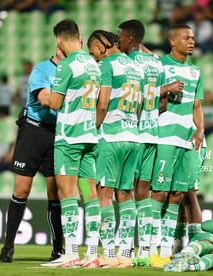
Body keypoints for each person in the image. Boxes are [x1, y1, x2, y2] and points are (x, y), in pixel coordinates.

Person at [0, 23, 66, 263]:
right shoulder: (41, 70)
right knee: (21, 189)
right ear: (59, 43)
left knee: (55, 192)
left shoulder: (72, 72)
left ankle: (58, 249)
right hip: (33, 130)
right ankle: (7, 247)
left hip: (57, 134)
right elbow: (45, 98)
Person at [117, 19, 184, 267]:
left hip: (131, 133)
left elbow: (131, 96)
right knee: (143, 192)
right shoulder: (156, 63)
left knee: (124, 190)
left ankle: (124, 249)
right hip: (153, 133)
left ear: (131, 39)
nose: (117, 40)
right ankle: (144, 249)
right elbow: (163, 104)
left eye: (120, 36)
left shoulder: (129, 62)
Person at [40, 19, 101, 268]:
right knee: (90, 196)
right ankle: (93, 253)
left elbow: (54, 104)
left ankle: (72, 253)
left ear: (59, 41)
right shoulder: (94, 65)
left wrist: (44, 97)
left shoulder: (66, 66)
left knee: (67, 194)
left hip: (69, 139)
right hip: (89, 138)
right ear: (80, 37)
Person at [149, 24, 204, 268]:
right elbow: (146, 94)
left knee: (177, 194)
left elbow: (197, 106)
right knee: (159, 192)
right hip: (164, 136)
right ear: (173, 42)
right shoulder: (160, 65)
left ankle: (165, 248)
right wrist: (167, 89)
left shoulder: (195, 71)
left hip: (187, 139)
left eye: (193, 38)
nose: (191, 41)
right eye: (186, 38)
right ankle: (149, 247)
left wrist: (200, 129)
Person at [87, 29, 144, 268]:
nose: (95, 58)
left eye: (93, 53)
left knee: (104, 195)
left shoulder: (107, 67)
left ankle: (108, 253)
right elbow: (140, 103)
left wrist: (94, 128)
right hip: (134, 136)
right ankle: (125, 252)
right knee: (126, 194)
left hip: (111, 135)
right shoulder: (135, 67)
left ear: (102, 45)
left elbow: (102, 103)